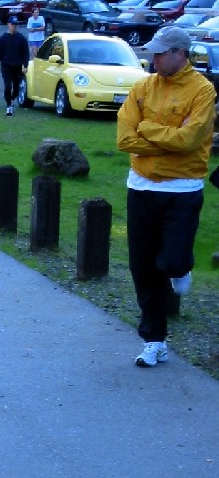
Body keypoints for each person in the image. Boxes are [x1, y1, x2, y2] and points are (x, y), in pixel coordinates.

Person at [117, 26, 216, 368]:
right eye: (153, 53)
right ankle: (154, 340)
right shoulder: (143, 86)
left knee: (172, 262)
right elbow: (125, 138)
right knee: (143, 268)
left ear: (180, 54)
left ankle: (180, 268)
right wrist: (164, 135)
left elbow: (190, 141)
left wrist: (147, 128)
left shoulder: (202, 91)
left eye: (160, 53)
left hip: (182, 188)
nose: (153, 59)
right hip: (140, 186)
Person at [0, 16, 29, 117]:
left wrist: (25, 65)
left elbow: (26, 53)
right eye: (12, 24)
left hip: (17, 66)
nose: (14, 27)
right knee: (8, 86)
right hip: (6, 66)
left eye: (16, 25)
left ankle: (12, 99)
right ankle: (9, 106)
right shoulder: (2, 39)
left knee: (17, 88)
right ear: (8, 25)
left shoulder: (21, 39)